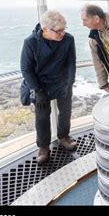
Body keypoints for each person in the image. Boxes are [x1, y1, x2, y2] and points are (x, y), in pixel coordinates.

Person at [20, 10, 77, 165]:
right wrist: (38, 90)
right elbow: (26, 69)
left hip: (62, 82)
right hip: (40, 84)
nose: (62, 33)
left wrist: (69, 82)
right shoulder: (30, 42)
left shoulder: (68, 39)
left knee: (65, 111)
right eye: (58, 31)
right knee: (42, 117)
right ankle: (44, 146)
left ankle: (64, 136)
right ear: (45, 29)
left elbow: (71, 63)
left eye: (64, 29)